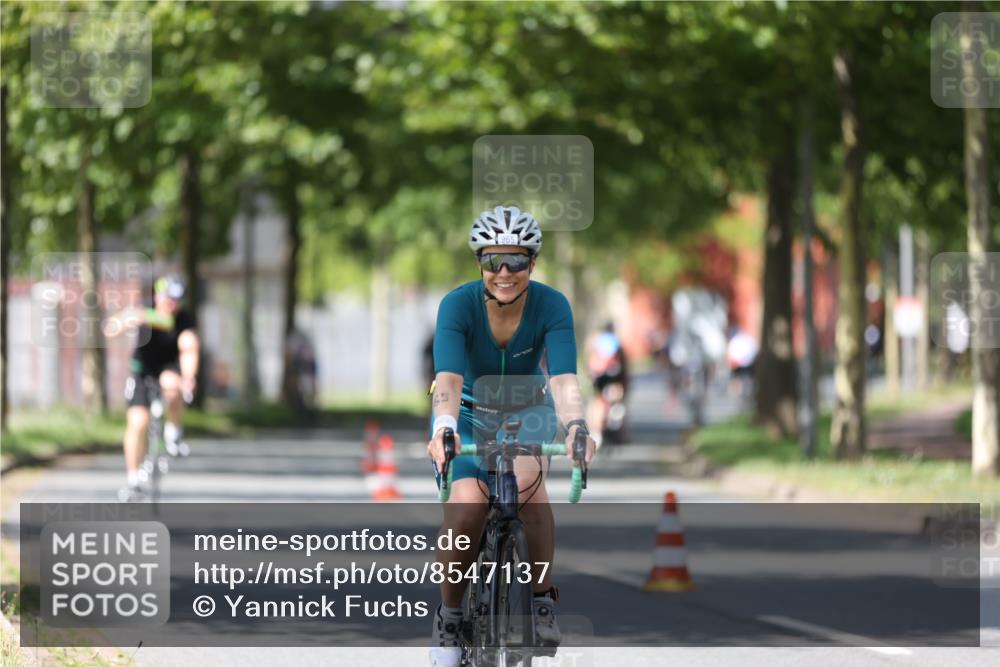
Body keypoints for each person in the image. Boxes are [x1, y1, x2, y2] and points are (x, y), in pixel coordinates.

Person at [426, 206, 596, 667]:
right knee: (466, 510)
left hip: (527, 410)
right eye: (492, 261)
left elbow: (562, 380)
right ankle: (451, 615)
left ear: (532, 264)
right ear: (479, 262)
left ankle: (539, 599)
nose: (504, 272)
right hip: (465, 414)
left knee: (528, 491)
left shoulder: (553, 305)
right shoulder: (457, 305)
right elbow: (447, 379)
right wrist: (443, 427)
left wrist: (578, 425)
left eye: (516, 262)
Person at [111, 275, 199, 501]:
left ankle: (174, 432)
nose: (172, 305)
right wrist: (125, 322)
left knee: (173, 385)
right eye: (168, 299)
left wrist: (188, 377)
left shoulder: (183, 320)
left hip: (168, 369)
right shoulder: (144, 311)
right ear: (157, 297)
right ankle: (134, 480)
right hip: (142, 371)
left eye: (176, 300)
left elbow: (189, 346)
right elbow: (112, 327)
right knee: (138, 423)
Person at [586, 321, 629, 447]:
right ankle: (618, 428)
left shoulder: (596, 340)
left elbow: (591, 359)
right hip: (614, 374)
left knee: (597, 401)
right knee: (617, 398)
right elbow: (623, 363)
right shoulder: (616, 341)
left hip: (598, 374)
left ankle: (596, 431)